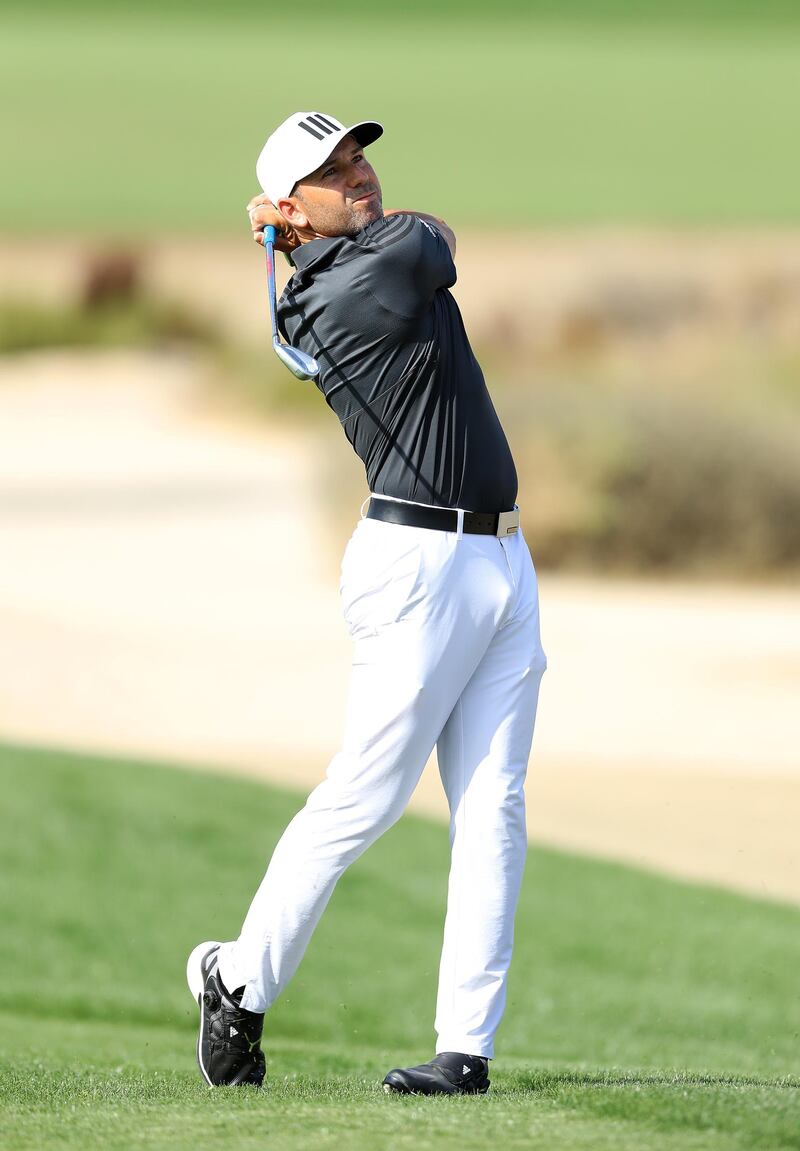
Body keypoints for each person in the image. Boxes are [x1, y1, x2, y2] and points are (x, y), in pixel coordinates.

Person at [186, 111, 547, 1096]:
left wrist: (304, 226)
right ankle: (238, 978)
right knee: (369, 794)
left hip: (501, 559)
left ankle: (462, 1048)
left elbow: (423, 235)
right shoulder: (347, 286)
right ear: (288, 210)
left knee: (493, 808)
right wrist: (320, 238)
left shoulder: (357, 254)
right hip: (413, 566)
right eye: (329, 170)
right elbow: (434, 238)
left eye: (356, 155)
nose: (359, 175)